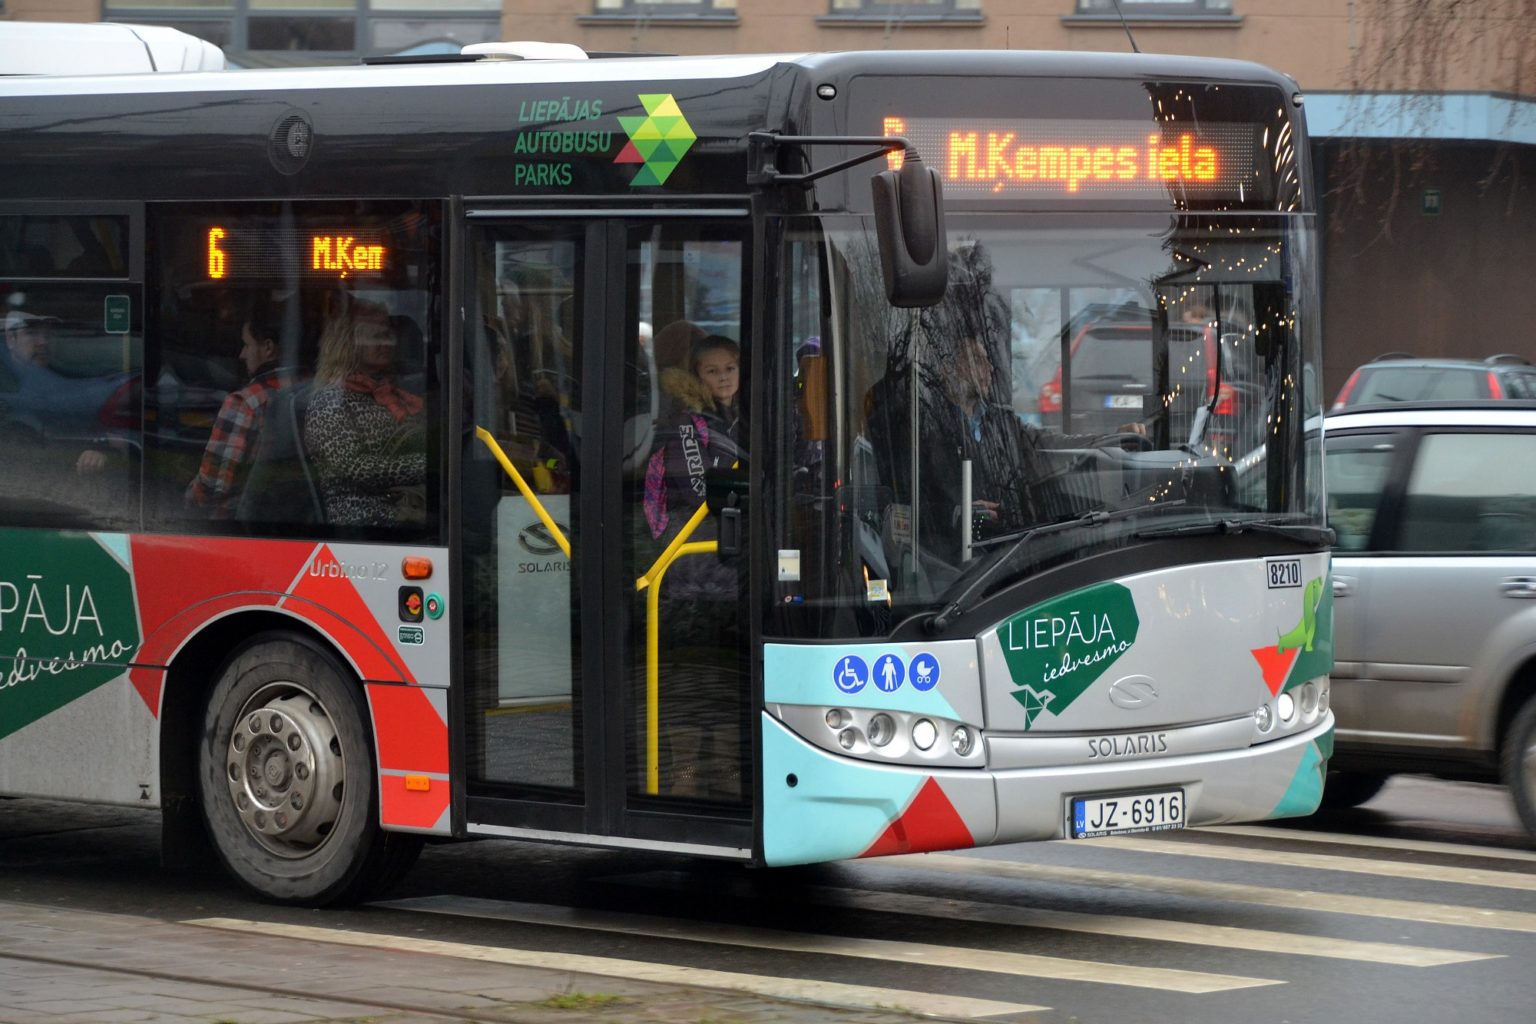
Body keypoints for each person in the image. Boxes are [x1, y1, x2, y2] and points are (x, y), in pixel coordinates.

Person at [304, 301, 426, 527]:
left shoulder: (392, 393)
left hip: (409, 506)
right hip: (362, 519)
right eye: (374, 337)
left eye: (388, 335)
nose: (385, 343)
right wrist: (427, 466)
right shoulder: (330, 400)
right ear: (348, 343)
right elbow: (356, 468)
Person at [185, 295, 294, 518]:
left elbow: (214, 485)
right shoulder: (312, 387)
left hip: (240, 525)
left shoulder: (246, 402)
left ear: (268, 348)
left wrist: (185, 499)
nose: (241, 354)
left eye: (246, 345)